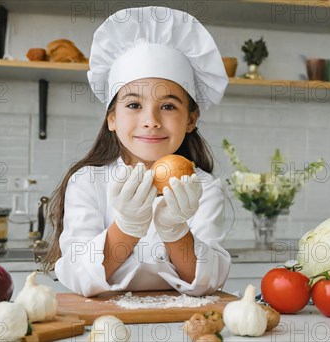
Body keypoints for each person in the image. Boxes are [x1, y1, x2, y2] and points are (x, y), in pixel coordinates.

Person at [43, 6, 231, 297]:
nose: (151, 120)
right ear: (112, 118)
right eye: (133, 105)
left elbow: (209, 281)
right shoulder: (87, 183)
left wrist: (176, 231)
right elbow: (78, 275)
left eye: (168, 106)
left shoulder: (202, 188)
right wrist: (128, 227)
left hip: (180, 326)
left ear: (191, 119)